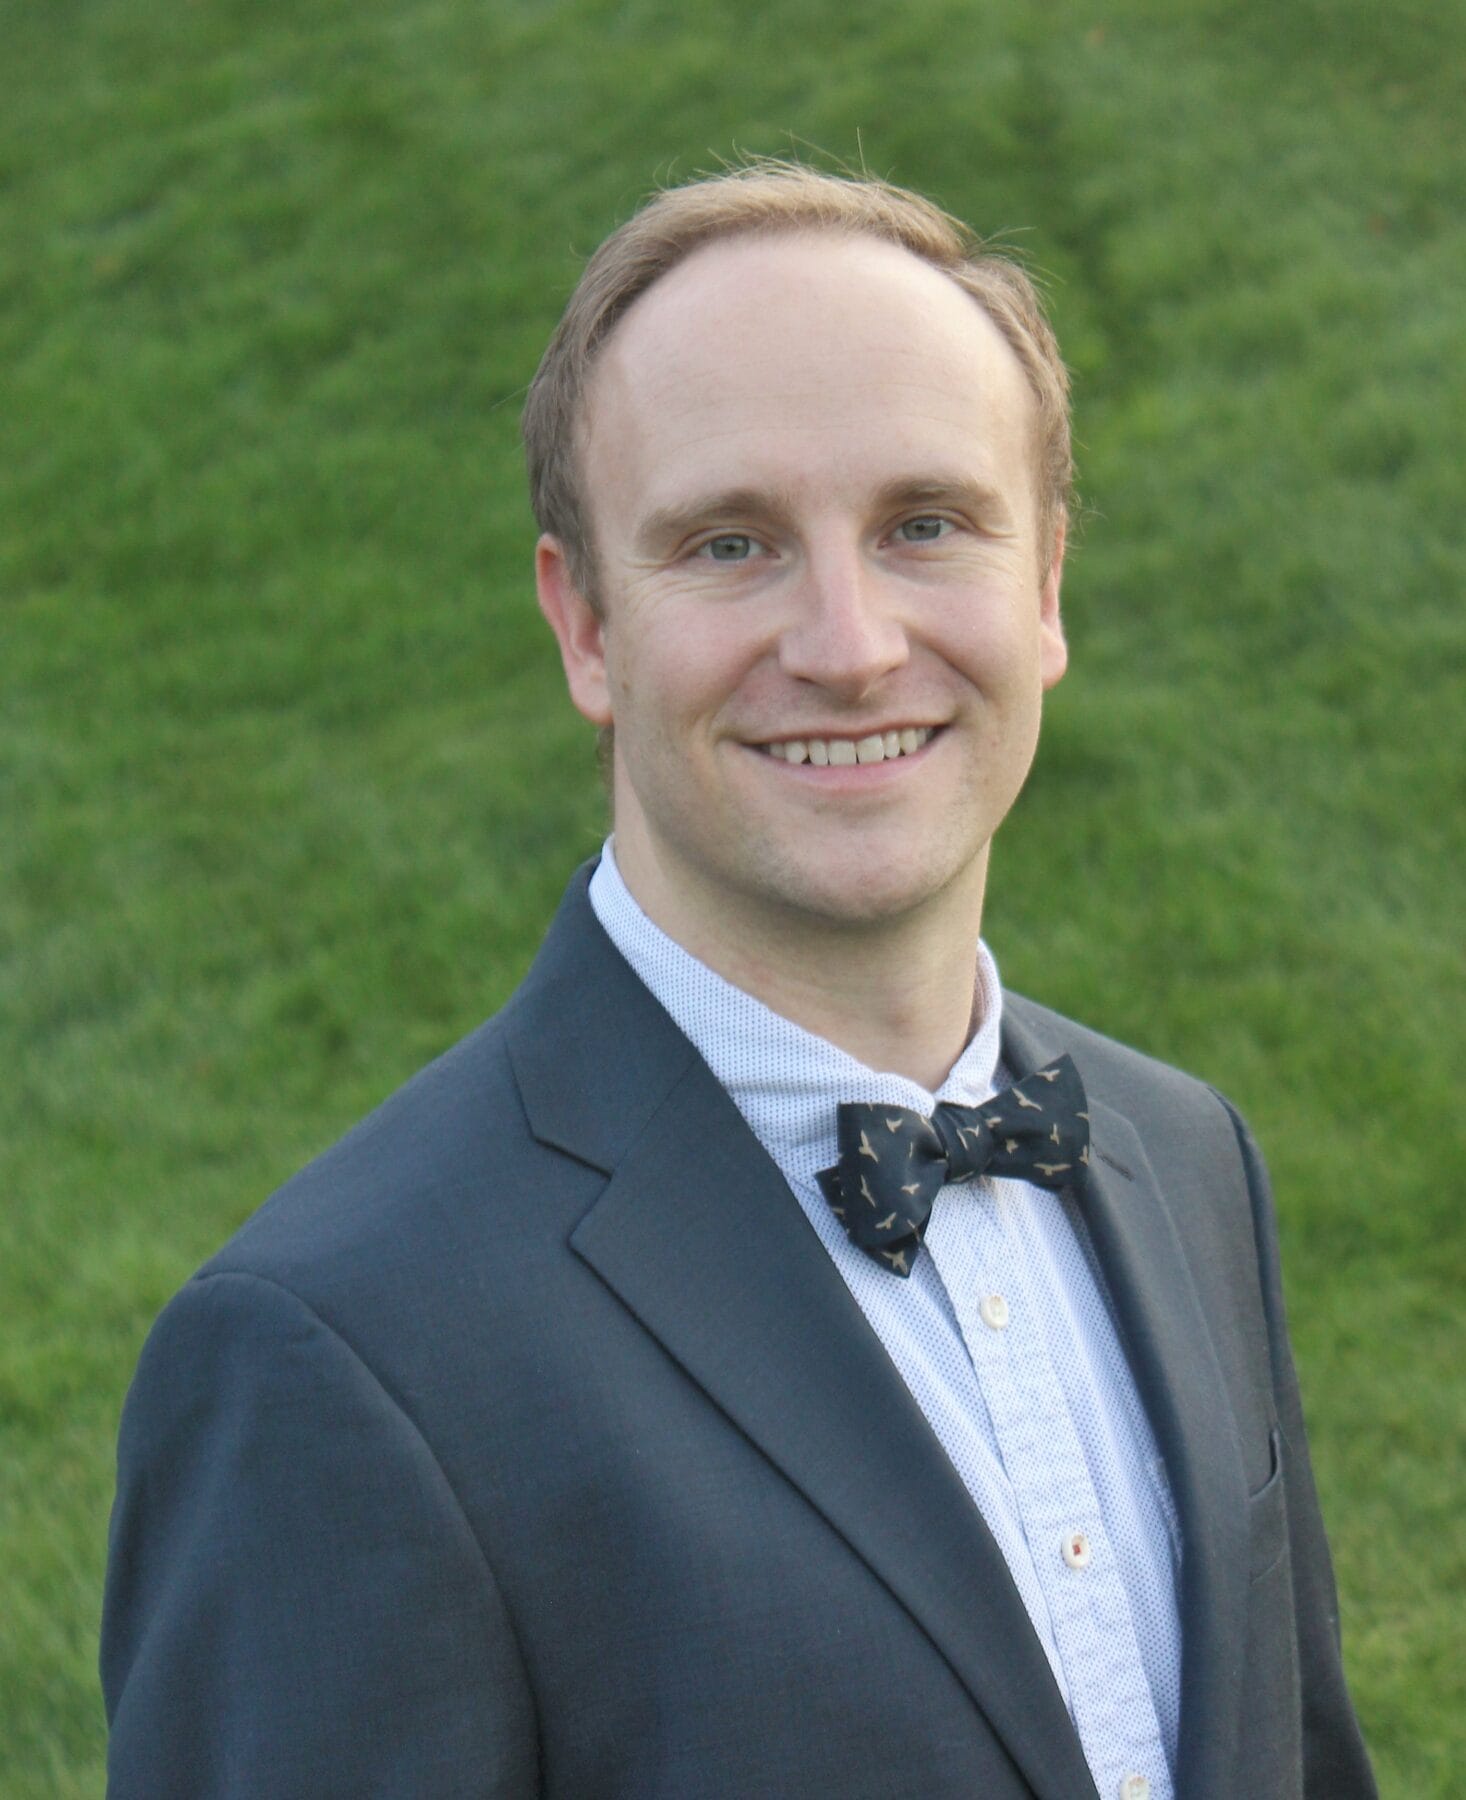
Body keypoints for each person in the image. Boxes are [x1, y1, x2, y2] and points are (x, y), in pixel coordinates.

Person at [102, 164, 1378, 1800]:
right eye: (730, 544)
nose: (847, 645)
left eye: (924, 525)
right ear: (586, 627)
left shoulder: (1181, 1155)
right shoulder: (334, 1355)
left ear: (1044, 582)